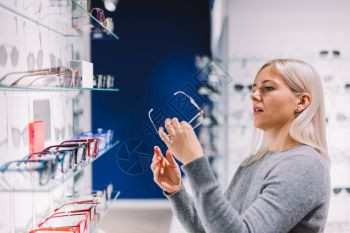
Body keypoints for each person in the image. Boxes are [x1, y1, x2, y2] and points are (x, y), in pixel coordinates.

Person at [150, 59, 331, 233]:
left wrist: (195, 161)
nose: (253, 95)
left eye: (268, 88)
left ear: (302, 102)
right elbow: (213, 228)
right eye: (253, 89)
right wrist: (176, 190)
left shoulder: (304, 165)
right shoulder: (253, 163)